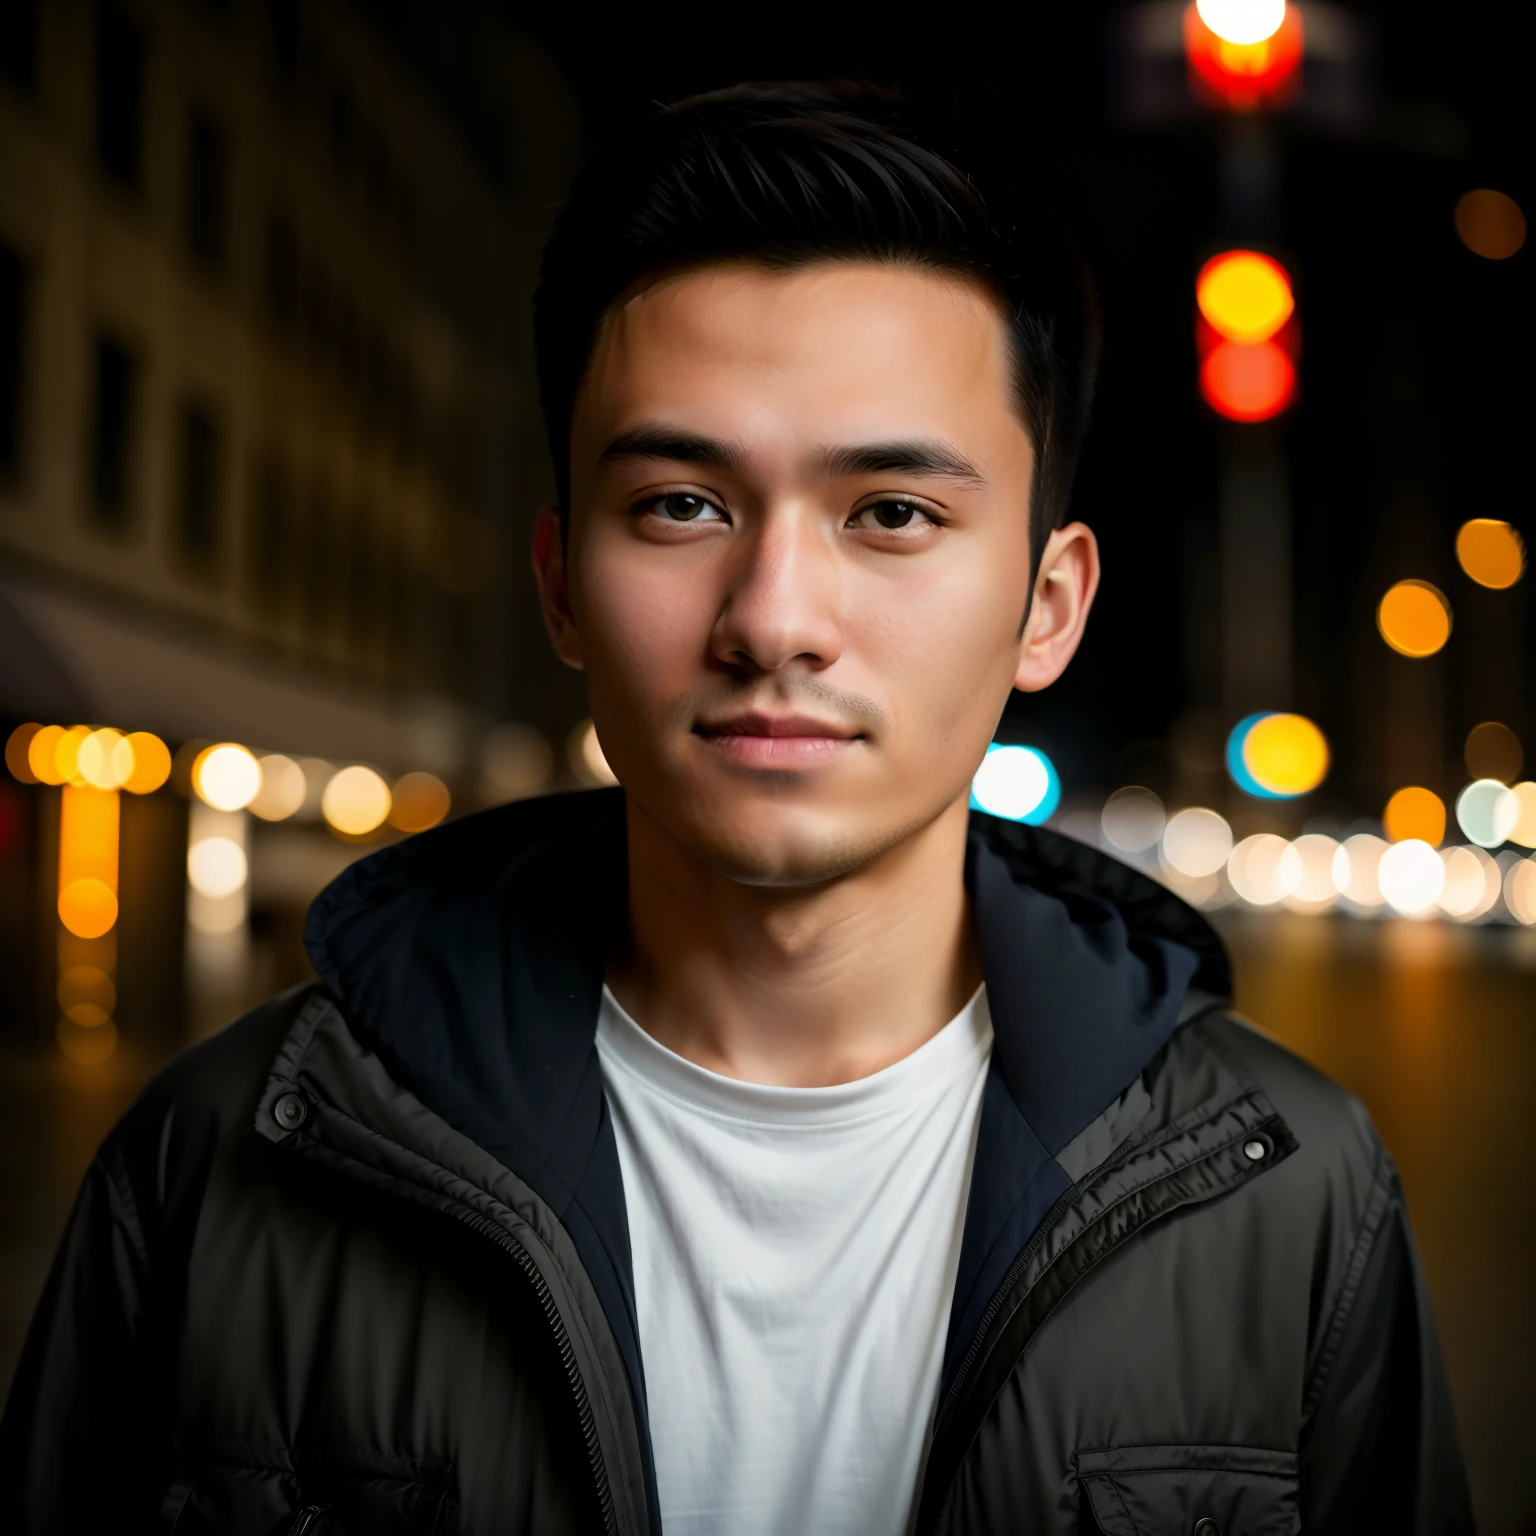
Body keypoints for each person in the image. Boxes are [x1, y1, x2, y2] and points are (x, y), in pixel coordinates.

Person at [2, 84, 1472, 1536]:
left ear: (1048, 603)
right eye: (681, 506)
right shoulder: (222, 1162)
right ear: (562, 582)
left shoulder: (1290, 1197)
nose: (773, 621)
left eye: (892, 514)